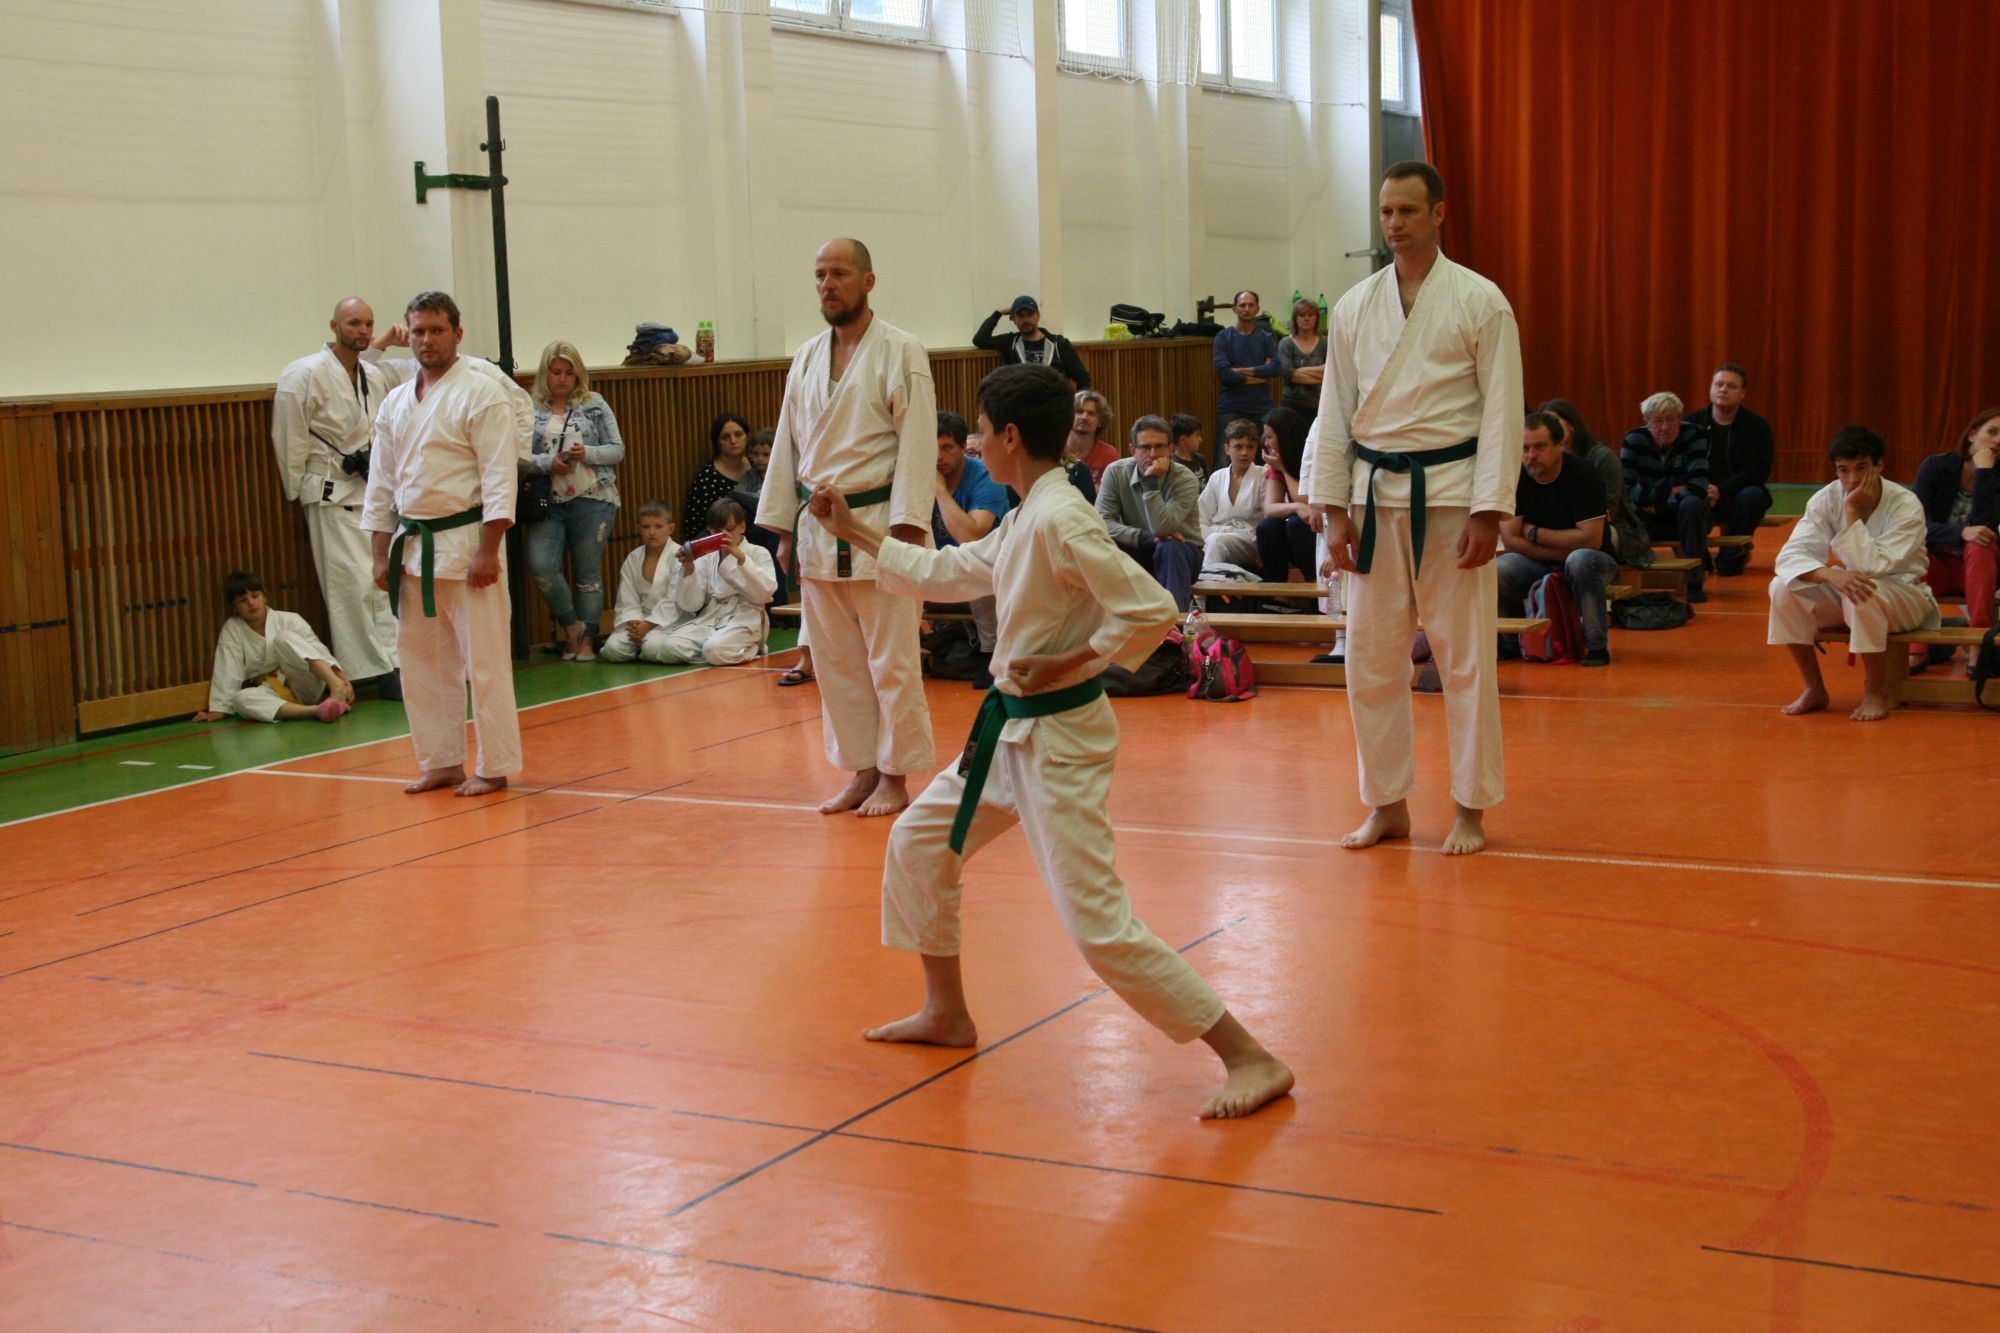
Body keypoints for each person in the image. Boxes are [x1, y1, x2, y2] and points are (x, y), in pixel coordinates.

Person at [806, 362, 1294, 1121]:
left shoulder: (1062, 518)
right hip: (1011, 732)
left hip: (1060, 739)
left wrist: (1069, 661)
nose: (973, 444)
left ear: (1008, 436)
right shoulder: (1029, 511)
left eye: (978, 431)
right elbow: (947, 571)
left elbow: (1151, 607)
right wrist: (855, 531)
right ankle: (946, 1011)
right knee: (919, 843)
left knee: (1097, 926)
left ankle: (1250, 1056)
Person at [1310, 160, 1521, 857]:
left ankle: (1469, 808)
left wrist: (1490, 510)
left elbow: (1503, 411)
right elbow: (1335, 412)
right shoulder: (1355, 306)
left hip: (1453, 498)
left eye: (1407, 211)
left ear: (1438, 213)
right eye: (1386, 212)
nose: (1394, 224)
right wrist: (1333, 508)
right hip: (1372, 499)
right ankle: (1388, 804)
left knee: (1464, 660)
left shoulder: (1480, 301)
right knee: (1370, 662)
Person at [754, 238, 937, 817]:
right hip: (816, 529)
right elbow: (787, 444)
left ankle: (895, 776)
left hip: (879, 526)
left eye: (838, 273)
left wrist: (908, 529)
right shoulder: (807, 356)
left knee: (892, 662)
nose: (827, 285)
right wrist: (782, 528)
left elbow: (918, 444)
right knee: (837, 665)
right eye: (819, 275)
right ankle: (862, 770)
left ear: (868, 281)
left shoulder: (902, 350)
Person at [362, 291, 522, 797]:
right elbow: (381, 484)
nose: (426, 340)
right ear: (407, 335)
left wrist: (488, 550)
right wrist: (379, 553)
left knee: (485, 664)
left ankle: (494, 765)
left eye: (436, 330)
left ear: (457, 333)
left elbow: (500, 478)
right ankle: (442, 761)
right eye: (418, 331)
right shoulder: (395, 401)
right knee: (422, 665)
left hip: (468, 543)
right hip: (412, 548)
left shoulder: (482, 393)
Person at [271, 297, 402, 696]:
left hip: (371, 491)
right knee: (351, 584)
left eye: (368, 324)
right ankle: (370, 668)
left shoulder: (372, 375)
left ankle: (395, 661)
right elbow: (289, 436)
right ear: (334, 326)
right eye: (353, 323)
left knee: (382, 580)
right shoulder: (303, 373)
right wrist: (297, 488)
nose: (362, 331)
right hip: (329, 491)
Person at [1768, 425, 1939, 722]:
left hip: (1905, 596)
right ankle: (1814, 688)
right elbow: (1789, 557)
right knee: (1782, 587)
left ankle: (1875, 690)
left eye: (1861, 468)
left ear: (1879, 465)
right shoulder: (1825, 499)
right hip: (1853, 590)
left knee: (1863, 591)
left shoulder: (1905, 504)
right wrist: (1831, 576)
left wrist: (1851, 512)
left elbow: (1874, 567)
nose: (1852, 479)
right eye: (1843, 470)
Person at [525, 340, 624, 662]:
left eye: (569, 373)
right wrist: (547, 463)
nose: (562, 379)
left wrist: (587, 453)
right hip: (547, 501)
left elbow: (617, 450)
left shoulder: (594, 404)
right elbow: (517, 457)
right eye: (556, 372)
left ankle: (587, 641)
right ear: (545, 373)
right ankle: (570, 626)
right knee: (542, 565)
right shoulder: (529, 408)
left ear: (579, 375)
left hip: (593, 496)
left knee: (588, 574)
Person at [1496, 412, 1615, 666]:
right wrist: (1560, 550)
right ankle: (1511, 643)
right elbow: (1510, 539)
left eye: (1540, 446)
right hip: (1543, 560)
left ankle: (1596, 647)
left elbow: (1591, 540)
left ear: (1561, 445)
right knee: (1501, 567)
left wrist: (1534, 533)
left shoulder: (1585, 474)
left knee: (1580, 560)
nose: (1531, 455)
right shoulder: (1515, 476)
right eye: (1525, 448)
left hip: (1594, 561)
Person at [191, 570, 354, 724]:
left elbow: (316, 650)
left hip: (306, 680)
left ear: (264, 597)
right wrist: (219, 708)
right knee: (240, 699)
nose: (251, 603)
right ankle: (317, 711)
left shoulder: (289, 619)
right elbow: (228, 669)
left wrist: (339, 678)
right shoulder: (233, 629)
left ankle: (336, 687)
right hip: (275, 691)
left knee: (284, 637)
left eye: (255, 596)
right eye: (242, 600)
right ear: (234, 606)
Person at [932, 410, 1012, 682]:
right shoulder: (914, 476)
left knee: (976, 564)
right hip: (938, 567)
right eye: (932, 448)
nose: (938, 456)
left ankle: (990, 654)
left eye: (946, 448)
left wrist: (939, 490)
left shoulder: (985, 477)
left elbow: (971, 536)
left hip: (985, 569)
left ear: (963, 447)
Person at [1095, 414, 1205, 612]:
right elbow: (1101, 522)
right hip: (1138, 546)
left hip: (1182, 553)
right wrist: (1143, 537)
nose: (1153, 454)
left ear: (1170, 449)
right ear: (1133, 450)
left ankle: (1174, 625)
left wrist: (1150, 483)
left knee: (1169, 547)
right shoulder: (1116, 472)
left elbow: (1163, 527)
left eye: (1160, 446)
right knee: (1101, 545)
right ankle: (1108, 621)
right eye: (1145, 447)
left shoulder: (1185, 478)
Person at [659, 498, 779, 665]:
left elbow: (764, 593)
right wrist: (689, 571)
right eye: (717, 531)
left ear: (742, 526)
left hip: (746, 616)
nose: (723, 535)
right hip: (713, 616)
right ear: (709, 531)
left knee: (714, 650)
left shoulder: (758, 553)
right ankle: (714, 649)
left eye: (729, 529)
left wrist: (739, 557)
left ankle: (752, 648)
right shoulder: (707, 557)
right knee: (669, 647)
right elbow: (691, 605)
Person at [1912, 407, 2000, 629]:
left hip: (1979, 570)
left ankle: (1978, 640)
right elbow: (1913, 526)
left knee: (1981, 546)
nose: (1998, 441)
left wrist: (1985, 473)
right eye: (1992, 432)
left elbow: (1985, 531)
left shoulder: (1995, 479)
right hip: (1935, 566)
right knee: (1913, 554)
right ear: (1972, 434)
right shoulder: (1936, 466)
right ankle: (1917, 644)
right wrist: (1960, 532)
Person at [1539, 397, 1651, 568]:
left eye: (1554, 422)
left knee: (1577, 548)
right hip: (1566, 528)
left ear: (1572, 426)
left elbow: (1608, 511)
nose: (1550, 429)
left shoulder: (1602, 457)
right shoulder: (1541, 461)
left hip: (1615, 529)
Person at [1684, 363, 1774, 574]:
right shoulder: (1691, 424)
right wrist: (1703, 488)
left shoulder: (1757, 426)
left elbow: (1759, 470)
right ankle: (1698, 559)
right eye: (1719, 384)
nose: (1723, 389)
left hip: (1737, 496)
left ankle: (1730, 558)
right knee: (1686, 500)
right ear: (1711, 388)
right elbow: (1682, 464)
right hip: (1701, 493)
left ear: (1742, 394)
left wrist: (1721, 490)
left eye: (1731, 386)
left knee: (1754, 497)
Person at [1622, 391, 1712, 600]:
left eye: (1671, 420)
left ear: (1680, 419)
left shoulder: (1696, 435)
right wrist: (1670, 489)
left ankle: (1695, 582)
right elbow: (1626, 490)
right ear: (1646, 422)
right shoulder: (1633, 439)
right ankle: (1628, 580)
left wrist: (1658, 504)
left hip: (1684, 517)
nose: (1665, 427)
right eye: (1658, 421)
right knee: (1626, 512)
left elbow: (1698, 487)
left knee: (1692, 504)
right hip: (1648, 520)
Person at [601, 500, 687, 664]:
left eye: (658, 526)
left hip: (670, 622)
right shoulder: (633, 558)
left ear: (670, 528)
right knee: (612, 649)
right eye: (646, 527)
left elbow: (674, 600)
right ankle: (640, 644)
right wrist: (635, 622)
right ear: (639, 528)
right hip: (639, 620)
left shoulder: (679, 555)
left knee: (652, 648)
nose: (652, 532)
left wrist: (648, 625)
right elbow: (627, 597)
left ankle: (644, 646)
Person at [972, 295, 1091, 389]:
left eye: (1030, 314)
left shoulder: (1059, 344)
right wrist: (998, 312)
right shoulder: (1010, 342)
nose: (1026, 320)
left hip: (1056, 407)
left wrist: (1078, 406)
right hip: (1023, 407)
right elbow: (980, 340)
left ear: (1038, 316)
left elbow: (1083, 378)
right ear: (1013, 318)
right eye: (1020, 315)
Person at [1254, 409, 1316, 586]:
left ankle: (1315, 588)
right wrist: (1295, 507)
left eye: (1270, 437)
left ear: (1284, 437)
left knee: (1297, 525)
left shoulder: (1310, 456)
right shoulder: (1278, 461)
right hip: (1300, 531)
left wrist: (1284, 469)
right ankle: (1277, 593)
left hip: (1320, 528)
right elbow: (1270, 508)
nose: (1266, 443)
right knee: (1268, 526)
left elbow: (1304, 497)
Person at [1213, 290, 1280, 449]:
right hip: (1231, 406)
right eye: (1242, 305)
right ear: (1235, 309)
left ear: (1257, 308)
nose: (1247, 309)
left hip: (1262, 405)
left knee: (1267, 454)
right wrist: (1259, 373)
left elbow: (1276, 368)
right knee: (1224, 457)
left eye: (1251, 305)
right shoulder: (1223, 337)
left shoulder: (1266, 337)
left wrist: (1242, 371)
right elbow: (1224, 373)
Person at [1198, 420, 1266, 569]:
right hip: (1216, 535)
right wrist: (1217, 532)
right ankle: (1215, 581)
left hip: (1251, 540)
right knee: (1213, 540)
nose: (1244, 453)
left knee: (1216, 541)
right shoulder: (1217, 477)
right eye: (1238, 447)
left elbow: (1269, 518)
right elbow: (1201, 517)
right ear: (1227, 448)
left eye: (1250, 447)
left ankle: (1207, 583)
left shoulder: (1263, 475)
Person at [1275, 295, 1328, 423]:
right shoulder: (1286, 343)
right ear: (1295, 318)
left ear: (1316, 318)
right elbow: (1287, 373)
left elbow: (1330, 372)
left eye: (1311, 315)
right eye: (1302, 315)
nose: (1306, 318)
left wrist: (1299, 371)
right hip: (1292, 404)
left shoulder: (1325, 342)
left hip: (1320, 404)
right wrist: (1320, 374)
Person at [1066, 390, 1121, 486]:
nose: (1084, 417)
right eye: (1079, 412)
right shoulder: (1054, 449)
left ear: (1100, 421)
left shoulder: (1109, 455)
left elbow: (1108, 492)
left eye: (1091, 413)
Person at [1168, 413, 1209, 483]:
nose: (1200, 439)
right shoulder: (1173, 466)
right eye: (1197, 435)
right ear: (1183, 439)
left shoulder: (1200, 459)